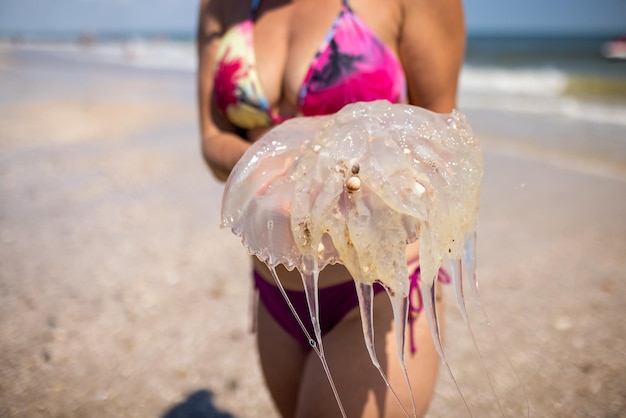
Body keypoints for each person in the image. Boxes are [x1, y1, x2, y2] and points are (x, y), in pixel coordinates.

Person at [196, 0, 465, 417]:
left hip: (381, 292)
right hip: (276, 290)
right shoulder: (219, 6)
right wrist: (280, 160)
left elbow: (442, 141)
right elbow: (213, 139)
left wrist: (360, 171)